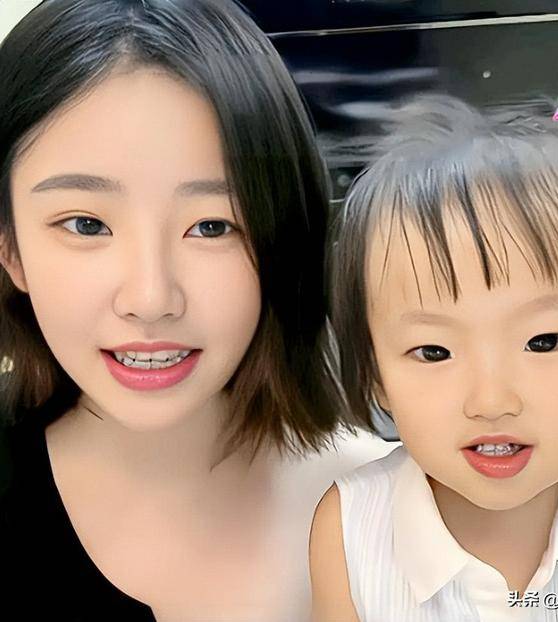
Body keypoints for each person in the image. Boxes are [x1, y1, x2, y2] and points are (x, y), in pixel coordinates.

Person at [0, 1, 394, 620]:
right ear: (10, 249)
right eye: (86, 224)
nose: (151, 299)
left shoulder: (396, 512)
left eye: (212, 226)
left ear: (283, 235)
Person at [310, 95, 558, 621]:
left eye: (543, 342)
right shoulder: (351, 529)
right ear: (374, 373)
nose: (491, 400)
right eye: (434, 351)